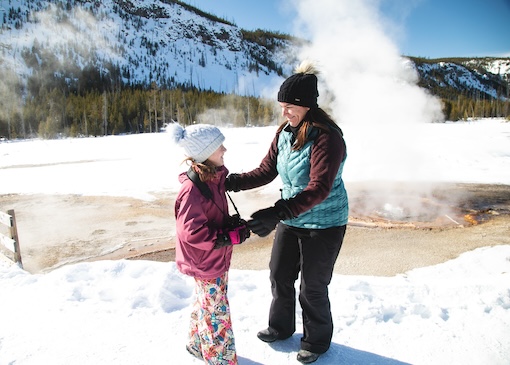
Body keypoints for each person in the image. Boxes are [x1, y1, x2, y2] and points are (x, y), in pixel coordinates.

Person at [225, 61, 348, 364]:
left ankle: (316, 341)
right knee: (279, 275)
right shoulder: (284, 132)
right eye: (282, 106)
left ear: (307, 105)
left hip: (325, 223)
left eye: (290, 106)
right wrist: (232, 182)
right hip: (292, 218)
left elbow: (319, 188)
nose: (284, 112)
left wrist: (277, 212)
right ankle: (280, 329)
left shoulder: (327, 138)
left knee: (312, 287)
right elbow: (267, 170)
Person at [171, 123, 249, 365]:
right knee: (216, 313)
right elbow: (191, 231)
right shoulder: (192, 190)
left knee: (208, 302)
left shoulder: (213, 180)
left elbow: (211, 218)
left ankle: (196, 343)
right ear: (206, 153)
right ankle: (220, 360)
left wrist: (230, 227)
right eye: (218, 146)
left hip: (214, 259)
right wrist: (225, 238)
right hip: (206, 262)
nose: (224, 149)